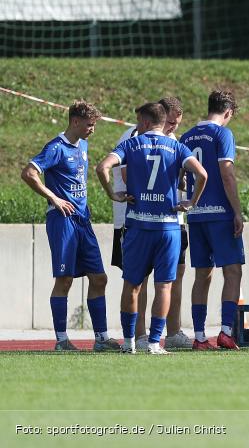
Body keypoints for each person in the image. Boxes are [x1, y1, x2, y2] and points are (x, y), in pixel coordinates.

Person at [96, 102, 207, 354]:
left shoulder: (131, 144)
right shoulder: (177, 146)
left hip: (138, 224)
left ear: (145, 122)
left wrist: (112, 194)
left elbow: (102, 167)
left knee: (132, 285)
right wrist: (191, 202)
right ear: (164, 121)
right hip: (168, 227)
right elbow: (203, 174)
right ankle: (155, 343)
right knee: (164, 286)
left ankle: (130, 342)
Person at [21, 101, 119, 352]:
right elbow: (29, 173)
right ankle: (62, 340)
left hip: (82, 220)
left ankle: (101, 339)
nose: (92, 129)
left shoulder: (83, 145)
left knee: (99, 278)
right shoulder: (55, 147)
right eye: (89, 124)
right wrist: (53, 198)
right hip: (62, 220)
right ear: (75, 122)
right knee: (64, 279)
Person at [181, 90, 245, 351]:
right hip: (220, 214)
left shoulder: (186, 136)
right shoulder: (223, 134)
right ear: (228, 112)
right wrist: (237, 211)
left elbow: (180, 178)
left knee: (202, 275)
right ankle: (226, 332)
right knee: (233, 271)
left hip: (196, 215)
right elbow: (227, 174)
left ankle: (199, 337)